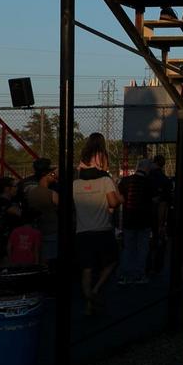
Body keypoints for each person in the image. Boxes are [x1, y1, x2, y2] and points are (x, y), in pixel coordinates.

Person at [73, 133, 123, 315]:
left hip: (82, 230)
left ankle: (88, 298)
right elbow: (113, 201)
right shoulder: (104, 177)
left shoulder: (77, 181)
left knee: (86, 267)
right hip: (102, 230)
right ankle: (95, 291)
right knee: (111, 261)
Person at [117, 159, 154, 285]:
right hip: (144, 221)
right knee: (143, 248)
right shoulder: (149, 182)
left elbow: (120, 198)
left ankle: (125, 275)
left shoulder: (125, 181)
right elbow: (154, 200)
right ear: (147, 169)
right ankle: (139, 275)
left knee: (128, 248)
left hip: (129, 220)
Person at [23, 158, 60, 266]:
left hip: (36, 228)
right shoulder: (51, 193)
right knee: (51, 259)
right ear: (46, 175)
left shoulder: (30, 191)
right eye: (52, 174)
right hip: (51, 230)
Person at [146, 155, 173, 275]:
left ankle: (147, 266)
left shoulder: (148, 178)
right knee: (159, 241)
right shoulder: (166, 180)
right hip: (160, 216)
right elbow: (166, 202)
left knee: (147, 242)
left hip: (148, 214)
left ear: (154, 162)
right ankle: (157, 266)